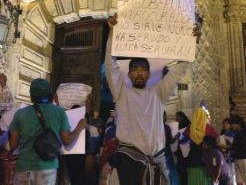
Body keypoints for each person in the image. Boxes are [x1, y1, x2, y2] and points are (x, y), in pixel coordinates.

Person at [103, 15, 192, 185]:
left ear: (149, 74)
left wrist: (190, 43)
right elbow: (110, 65)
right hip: (128, 162)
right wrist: (112, 33)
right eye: (135, 69)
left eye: (143, 69)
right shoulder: (122, 92)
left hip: (157, 162)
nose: (139, 72)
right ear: (129, 75)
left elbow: (177, 72)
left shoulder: (158, 92)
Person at [9, 78, 87, 185]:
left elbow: (13, 145)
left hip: (23, 168)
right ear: (49, 95)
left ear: (31, 96)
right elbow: (67, 139)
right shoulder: (59, 112)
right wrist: (79, 126)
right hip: (47, 169)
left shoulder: (20, 113)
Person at [230, 115, 246, 185]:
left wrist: (229, 147)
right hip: (237, 159)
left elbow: (240, 147)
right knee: (239, 181)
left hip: (243, 159)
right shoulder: (238, 134)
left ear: (238, 124)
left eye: (233, 124)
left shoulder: (245, 133)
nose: (232, 126)